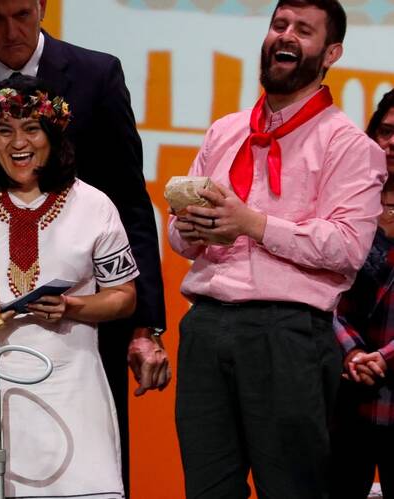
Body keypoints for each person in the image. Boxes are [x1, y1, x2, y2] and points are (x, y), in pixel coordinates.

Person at [0, 2, 169, 489]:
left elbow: (132, 201)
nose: (12, 31)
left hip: (82, 343)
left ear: (44, 6)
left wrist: (144, 326)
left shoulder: (98, 76)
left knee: (87, 471)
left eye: (23, 14)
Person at [168, 0, 387, 497]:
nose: (285, 36)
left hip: (286, 333)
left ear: (331, 52)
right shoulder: (225, 131)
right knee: (207, 488)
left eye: (303, 30)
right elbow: (178, 237)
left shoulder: (349, 145)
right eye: (278, 25)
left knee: (290, 488)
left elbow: (348, 247)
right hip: (205, 324)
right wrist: (196, 228)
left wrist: (252, 224)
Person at [0, 75, 134, 498]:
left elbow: (124, 297)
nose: (18, 142)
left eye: (31, 129)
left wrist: (72, 307)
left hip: (72, 389)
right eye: (5, 130)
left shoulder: (94, 207)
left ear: (53, 134)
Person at [331, 89, 394, 499]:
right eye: (386, 131)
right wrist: (352, 352)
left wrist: (383, 358)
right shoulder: (344, 202)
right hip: (344, 394)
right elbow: (321, 289)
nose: (393, 143)